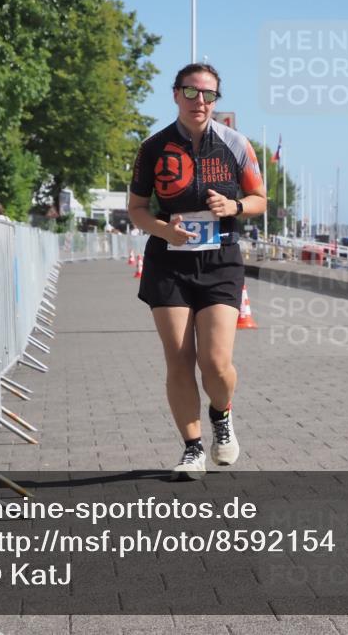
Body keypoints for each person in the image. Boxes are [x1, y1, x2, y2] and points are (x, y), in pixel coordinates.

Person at [128, 63, 267, 480]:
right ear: (175, 95)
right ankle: (192, 449)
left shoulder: (236, 144)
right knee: (179, 359)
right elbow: (136, 210)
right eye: (191, 93)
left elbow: (260, 197)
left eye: (209, 94)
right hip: (168, 261)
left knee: (216, 362)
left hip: (220, 260)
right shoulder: (153, 148)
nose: (200, 102)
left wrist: (236, 207)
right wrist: (163, 228)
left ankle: (221, 416)